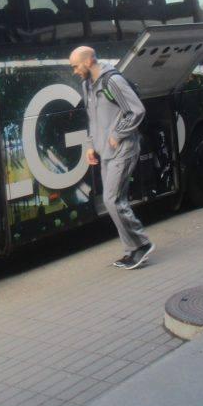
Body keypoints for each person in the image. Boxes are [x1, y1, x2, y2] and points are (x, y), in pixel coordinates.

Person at [69, 45, 154, 270]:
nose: (74, 71)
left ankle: (142, 244)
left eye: (76, 66)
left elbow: (136, 110)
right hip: (105, 152)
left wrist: (118, 134)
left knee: (112, 199)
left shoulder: (112, 81)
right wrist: (90, 145)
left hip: (124, 148)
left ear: (89, 61)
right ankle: (133, 250)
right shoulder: (87, 85)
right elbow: (92, 119)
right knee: (115, 201)